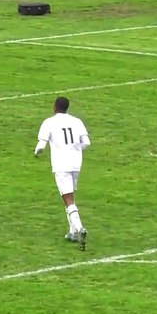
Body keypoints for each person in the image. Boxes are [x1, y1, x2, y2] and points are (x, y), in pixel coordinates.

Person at [34, 96, 91, 250]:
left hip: (61, 165)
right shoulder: (77, 121)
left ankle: (79, 229)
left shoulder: (49, 122)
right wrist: (76, 149)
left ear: (55, 107)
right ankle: (72, 232)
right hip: (76, 164)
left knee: (68, 199)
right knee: (70, 195)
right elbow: (86, 142)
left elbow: (41, 145)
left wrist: (37, 153)